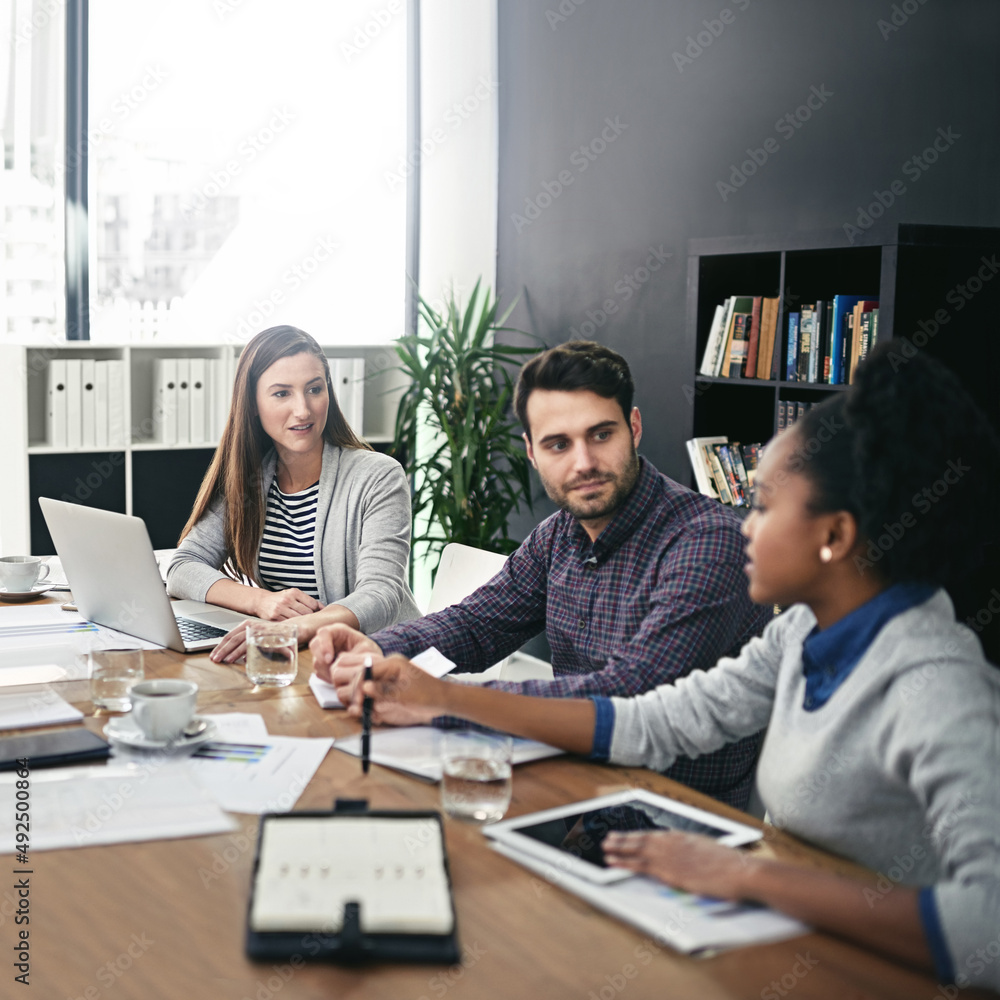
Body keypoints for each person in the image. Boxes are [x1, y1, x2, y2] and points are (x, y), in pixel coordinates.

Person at [331, 342, 1000, 991]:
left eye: (764, 506)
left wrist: (748, 877)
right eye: (559, 444)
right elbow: (656, 718)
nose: (745, 526)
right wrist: (425, 681)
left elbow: (988, 931)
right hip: (780, 931)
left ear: (834, 537)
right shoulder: (802, 632)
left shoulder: (933, 684)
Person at [312, 340, 772, 809]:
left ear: (633, 428)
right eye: (558, 444)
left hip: (669, 822)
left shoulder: (707, 541)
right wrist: (379, 646)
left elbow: (632, 694)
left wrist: (442, 698)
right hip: (567, 793)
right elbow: (476, 624)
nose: (584, 463)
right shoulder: (558, 535)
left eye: (601, 435)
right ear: (532, 453)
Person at [166, 325, 420, 661]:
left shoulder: (378, 476)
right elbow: (182, 567)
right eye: (282, 393)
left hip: (381, 662)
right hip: (299, 661)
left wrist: (293, 629)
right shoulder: (251, 480)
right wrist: (262, 601)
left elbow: (382, 594)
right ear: (253, 403)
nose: (303, 410)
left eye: (314, 389)